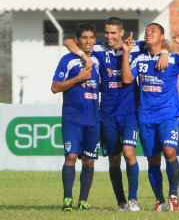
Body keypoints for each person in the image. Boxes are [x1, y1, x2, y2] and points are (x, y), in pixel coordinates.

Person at [64, 17, 169, 211]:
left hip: (129, 112)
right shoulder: (98, 49)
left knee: (130, 153)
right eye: (107, 32)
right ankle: (121, 202)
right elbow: (68, 41)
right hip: (107, 114)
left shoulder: (136, 47)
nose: (109, 36)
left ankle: (133, 199)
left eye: (113, 33)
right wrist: (83, 55)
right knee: (114, 158)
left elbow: (163, 41)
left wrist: (164, 52)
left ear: (122, 33)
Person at [121, 23, 179, 211]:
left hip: (168, 115)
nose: (149, 32)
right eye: (147, 30)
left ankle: (173, 195)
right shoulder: (139, 58)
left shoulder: (173, 60)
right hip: (145, 117)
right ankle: (160, 200)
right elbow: (126, 79)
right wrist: (125, 53)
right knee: (153, 160)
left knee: (170, 152)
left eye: (154, 31)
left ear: (162, 37)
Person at [51, 23, 100, 211]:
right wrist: (78, 78)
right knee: (71, 156)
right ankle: (67, 199)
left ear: (95, 40)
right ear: (78, 40)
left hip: (94, 119)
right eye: (84, 38)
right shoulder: (68, 60)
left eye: (91, 37)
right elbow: (55, 87)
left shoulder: (98, 58)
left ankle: (84, 201)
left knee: (89, 160)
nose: (88, 41)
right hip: (72, 118)